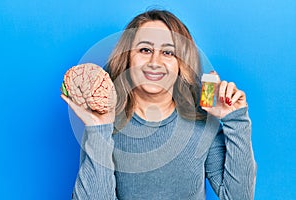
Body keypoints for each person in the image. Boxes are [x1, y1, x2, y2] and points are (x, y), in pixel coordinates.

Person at [61, 9, 257, 200]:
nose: (155, 62)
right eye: (145, 50)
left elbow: (238, 197)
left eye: (168, 52)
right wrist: (98, 130)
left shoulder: (203, 123)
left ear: (181, 63)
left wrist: (237, 119)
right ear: (128, 57)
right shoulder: (104, 123)